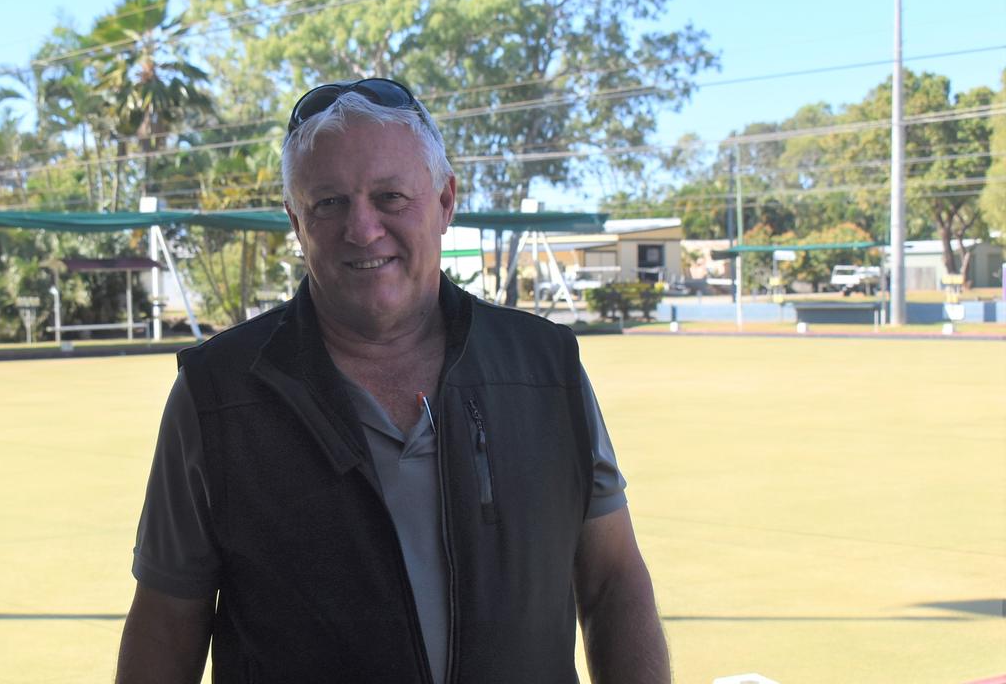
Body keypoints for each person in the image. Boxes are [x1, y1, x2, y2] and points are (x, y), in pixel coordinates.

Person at [116, 78, 669, 684]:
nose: (361, 227)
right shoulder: (216, 395)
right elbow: (168, 623)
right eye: (327, 202)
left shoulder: (545, 369)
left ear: (445, 203)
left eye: (390, 196)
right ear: (296, 223)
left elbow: (614, 581)